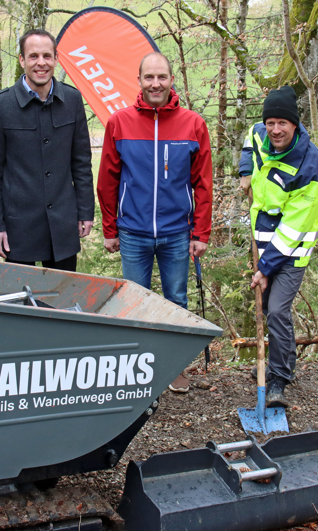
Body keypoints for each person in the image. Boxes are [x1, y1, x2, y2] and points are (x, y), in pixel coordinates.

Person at [97, 52, 213, 393]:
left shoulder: (193, 124)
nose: (156, 84)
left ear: (171, 79)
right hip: (133, 232)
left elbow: (203, 182)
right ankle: (136, 371)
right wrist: (110, 228)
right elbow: (107, 180)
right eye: (149, 77)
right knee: (135, 303)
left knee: (176, 301)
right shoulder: (120, 123)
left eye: (161, 77)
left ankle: (173, 368)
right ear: (139, 81)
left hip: (177, 232)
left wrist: (201, 232)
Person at [241, 86, 318, 408]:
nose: (275, 130)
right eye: (271, 123)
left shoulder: (311, 166)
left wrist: (265, 268)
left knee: (277, 310)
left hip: (291, 251)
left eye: (283, 123)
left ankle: (279, 377)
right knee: (266, 310)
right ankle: (273, 362)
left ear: (295, 125)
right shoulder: (260, 135)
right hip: (263, 242)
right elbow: (249, 141)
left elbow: (294, 227)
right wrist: (244, 172)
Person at [0, 29, 94, 271]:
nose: (40, 63)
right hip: (18, 227)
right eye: (33, 56)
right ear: (21, 60)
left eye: (46, 56)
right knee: (23, 302)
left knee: (63, 297)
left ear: (55, 58)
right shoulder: (0, 106)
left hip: (63, 223)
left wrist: (85, 211)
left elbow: (81, 162)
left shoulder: (72, 100)